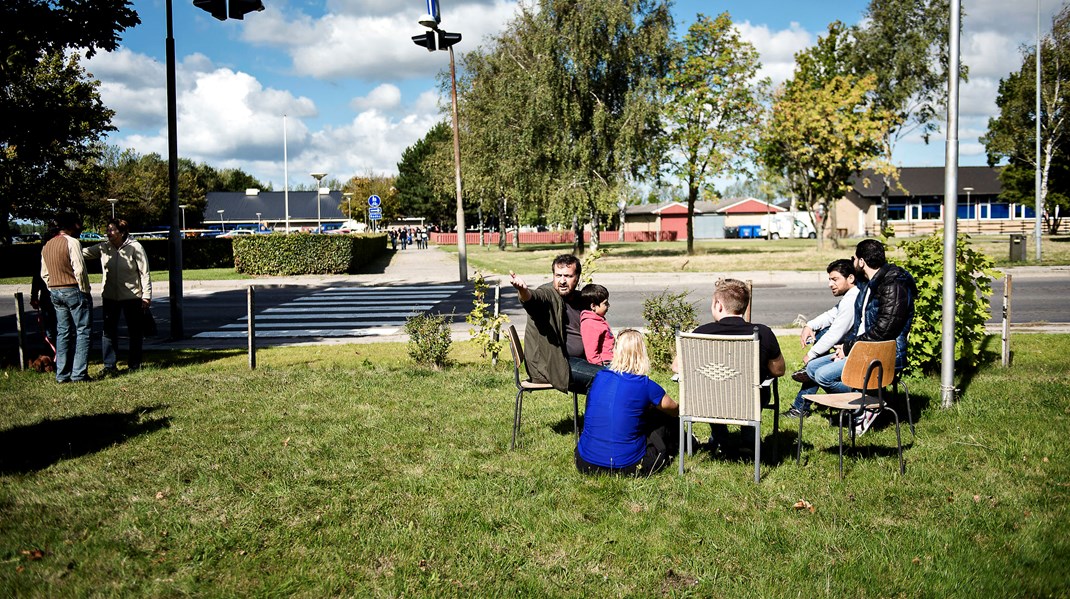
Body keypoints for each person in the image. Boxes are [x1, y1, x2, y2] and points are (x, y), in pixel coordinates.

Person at [674, 278, 785, 449]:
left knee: (713, 388)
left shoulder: (700, 333)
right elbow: (778, 370)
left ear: (718, 304)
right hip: (749, 401)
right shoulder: (763, 332)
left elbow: (676, 367)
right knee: (757, 390)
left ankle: (719, 437)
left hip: (707, 401)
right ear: (745, 305)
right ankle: (749, 439)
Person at [834, 239, 917, 435]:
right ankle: (862, 404)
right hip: (867, 348)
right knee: (816, 367)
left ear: (861, 261)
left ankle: (869, 405)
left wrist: (849, 347)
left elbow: (884, 330)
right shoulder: (874, 282)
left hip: (885, 354)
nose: (852, 262)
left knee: (821, 373)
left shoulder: (892, 285)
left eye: (855, 258)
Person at [575, 329, 680, 476]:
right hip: (627, 465)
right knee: (662, 417)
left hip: (584, 462)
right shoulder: (645, 385)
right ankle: (688, 444)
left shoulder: (599, 377)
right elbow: (674, 410)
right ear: (642, 354)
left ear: (616, 351)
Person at [508, 254, 602, 394]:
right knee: (605, 378)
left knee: (626, 377)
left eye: (568, 276)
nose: (562, 281)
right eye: (558, 275)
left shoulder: (579, 299)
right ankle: (597, 416)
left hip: (580, 360)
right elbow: (533, 299)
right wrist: (523, 291)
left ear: (577, 277)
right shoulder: (548, 295)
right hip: (552, 364)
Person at [784, 259, 860, 418]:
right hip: (849, 348)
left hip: (854, 353)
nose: (830, 284)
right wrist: (809, 326)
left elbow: (836, 333)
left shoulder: (853, 299)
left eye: (835, 279)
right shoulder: (850, 296)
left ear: (851, 278)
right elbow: (831, 315)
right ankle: (800, 407)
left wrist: (811, 354)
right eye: (829, 279)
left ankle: (859, 398)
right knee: (821, 335)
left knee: (818, 369)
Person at [84, 218, 152, 375]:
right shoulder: (103, 247)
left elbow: (144, 273)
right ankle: (109, 365)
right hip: (110, 297)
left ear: (122, 232)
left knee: (135, 332)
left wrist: (146, 295)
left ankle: (134, 364)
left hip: (132, 297)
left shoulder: (135, 247)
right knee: (108, 331)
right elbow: (83, 253)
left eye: (112, 230)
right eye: (107, 230)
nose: (109, 233)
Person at [40, 213, 92, 383]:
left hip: (54, 290)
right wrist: (84, 290)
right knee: (82, 330)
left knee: (62, 332)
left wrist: (52, 287)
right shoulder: (72, 242)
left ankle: (62, 374)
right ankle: (79, 373)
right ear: (71, 226)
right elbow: (79, 269)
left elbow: (44, 273)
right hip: (73, 288)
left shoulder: (47, 245)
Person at [30, 228, 60, 357]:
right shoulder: (42, 255)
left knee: (57, 327)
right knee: (51, 328)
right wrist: (34, 296)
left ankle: (57, 353)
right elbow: (36, 277)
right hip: (47, 296)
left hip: (54, 293)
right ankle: (51, 353)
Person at [579, 283, 614, 365]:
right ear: (593, 306)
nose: (608, 305)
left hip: (610, 360)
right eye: (605, 303)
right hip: (605, 364)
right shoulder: (590, 323)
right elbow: (591, 353)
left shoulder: (597, 320)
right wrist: (600, 370)